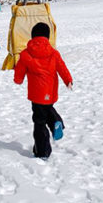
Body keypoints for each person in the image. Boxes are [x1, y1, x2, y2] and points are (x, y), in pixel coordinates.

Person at [13, 23, 73, 160]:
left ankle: (42, 152)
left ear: (33, 36)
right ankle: (55, 121)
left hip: (36, 93)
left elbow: (19, 72)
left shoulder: (26, 54)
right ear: (47, 36)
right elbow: (62, 67)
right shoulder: (53, 53)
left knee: (39, 121)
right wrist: (68, 80)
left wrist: (18, 80)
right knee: (47, 108)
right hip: (50, 92)